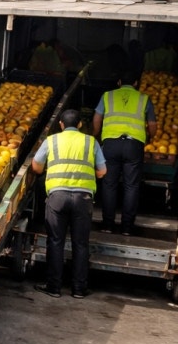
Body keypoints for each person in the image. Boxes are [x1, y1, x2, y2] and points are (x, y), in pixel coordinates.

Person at [31, 109, 106, 299]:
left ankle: (54, 287)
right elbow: (102, 171)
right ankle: (79, 289)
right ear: (80, 124)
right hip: (83, 199)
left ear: (61, 125)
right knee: (81, 243)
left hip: (57, 197)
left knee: (56, 241)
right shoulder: (91, 142)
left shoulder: (52, 141)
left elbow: (36, 166)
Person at [92, 71, 157, 236]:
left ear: (119, 82)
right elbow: (152, 126)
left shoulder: (107, 96)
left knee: (109, 184)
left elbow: (97, 118)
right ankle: (127, 228)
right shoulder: (144, 99)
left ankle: (107, 225)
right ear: (136, 83)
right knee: (131, 186)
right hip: (134, 145)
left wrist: (97, 135)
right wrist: (149, 138)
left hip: (111, 144)